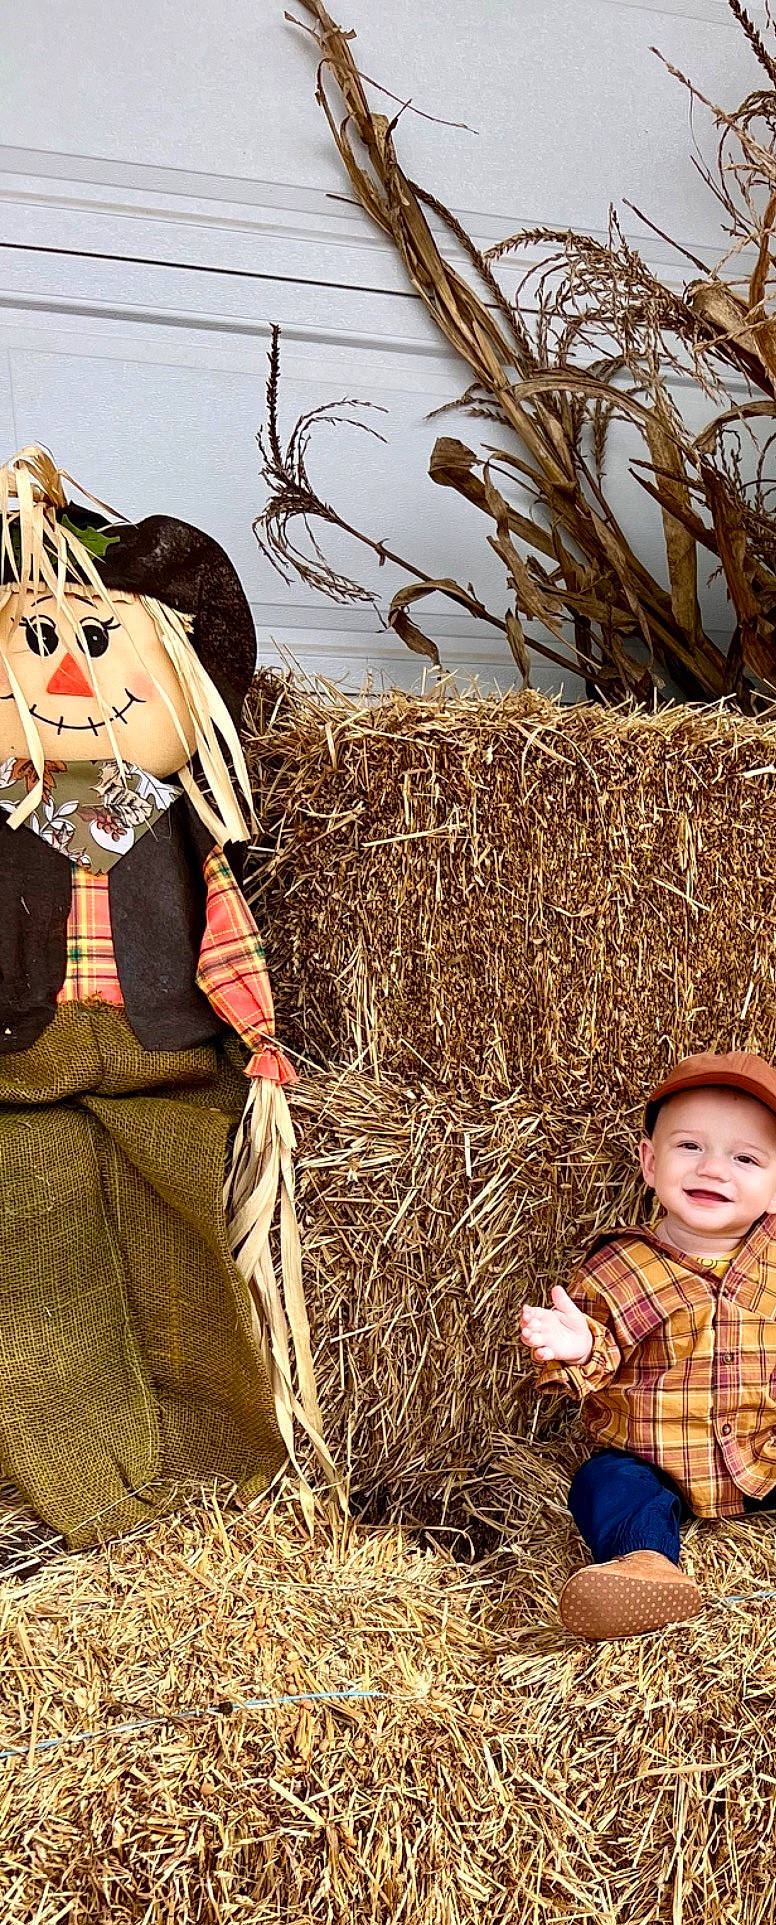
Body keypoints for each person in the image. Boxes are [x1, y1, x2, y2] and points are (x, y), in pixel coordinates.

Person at [0, 447, 324, 1548]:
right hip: (21, 1075)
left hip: (166, 1064)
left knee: (186, 1241)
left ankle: (216, 1462)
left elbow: (224, 929)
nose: (70, 677)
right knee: (34, 1263)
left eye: (98, 643)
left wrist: (260, 1040)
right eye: (37, 642)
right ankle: (90, 1482)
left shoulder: (175, 816)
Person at [521, 1050, 776, 1639]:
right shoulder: (618, 1266)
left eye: (743, 1158)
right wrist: (580, 1347)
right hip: (656, 1455)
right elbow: (602, 1354)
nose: (713, 1170)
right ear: (649, 1162)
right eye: (690, 1148)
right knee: (604, 1482)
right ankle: (646, 1564)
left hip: (769, 1446)